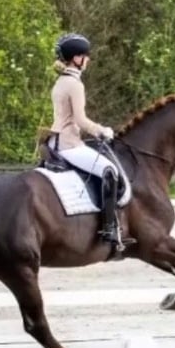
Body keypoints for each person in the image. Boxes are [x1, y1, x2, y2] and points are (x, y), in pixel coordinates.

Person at [47, 33, 136, 250]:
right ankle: (109, 228)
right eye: (85, 56)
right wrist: (102, 131)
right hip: (69, 144)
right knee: (109, 171)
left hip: (54, 142)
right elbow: (79, 119)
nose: (88, 60)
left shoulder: (61, 81)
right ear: (77, 59)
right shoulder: (75, 84)